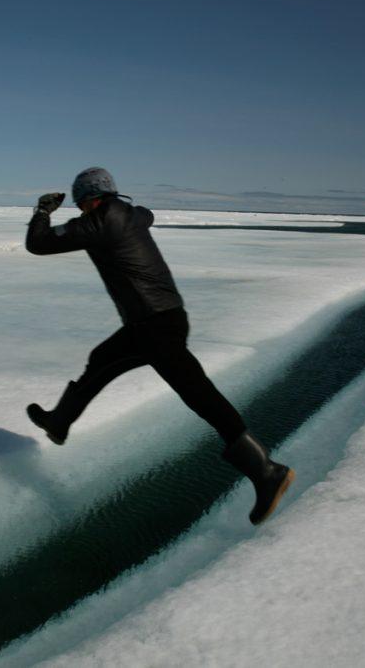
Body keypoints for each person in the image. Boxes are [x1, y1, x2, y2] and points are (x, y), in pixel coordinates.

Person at [24, 167, 295, 525]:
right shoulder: (133, 216)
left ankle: (266, 472)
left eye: (81, 204)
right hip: (163, 319)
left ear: (90, 199)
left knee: (200, 395)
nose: (80, 211)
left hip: (153, 327)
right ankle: (59, 422)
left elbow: (38, 244)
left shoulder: (100, 222)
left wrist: (43, 212)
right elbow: (145, 214)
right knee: (101, 360)